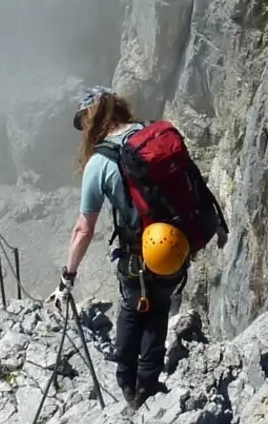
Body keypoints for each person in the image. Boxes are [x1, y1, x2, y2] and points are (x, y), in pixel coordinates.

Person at [50, 86, 225, 407]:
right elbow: (192, 180)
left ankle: (127, 385)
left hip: (139, 254)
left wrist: (67, 277)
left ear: (92, 119)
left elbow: (83, 228)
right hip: (178, 244)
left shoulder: (99, 162)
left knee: (133, 310)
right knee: (158, 307)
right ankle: (149, 383)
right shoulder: (153, 133)